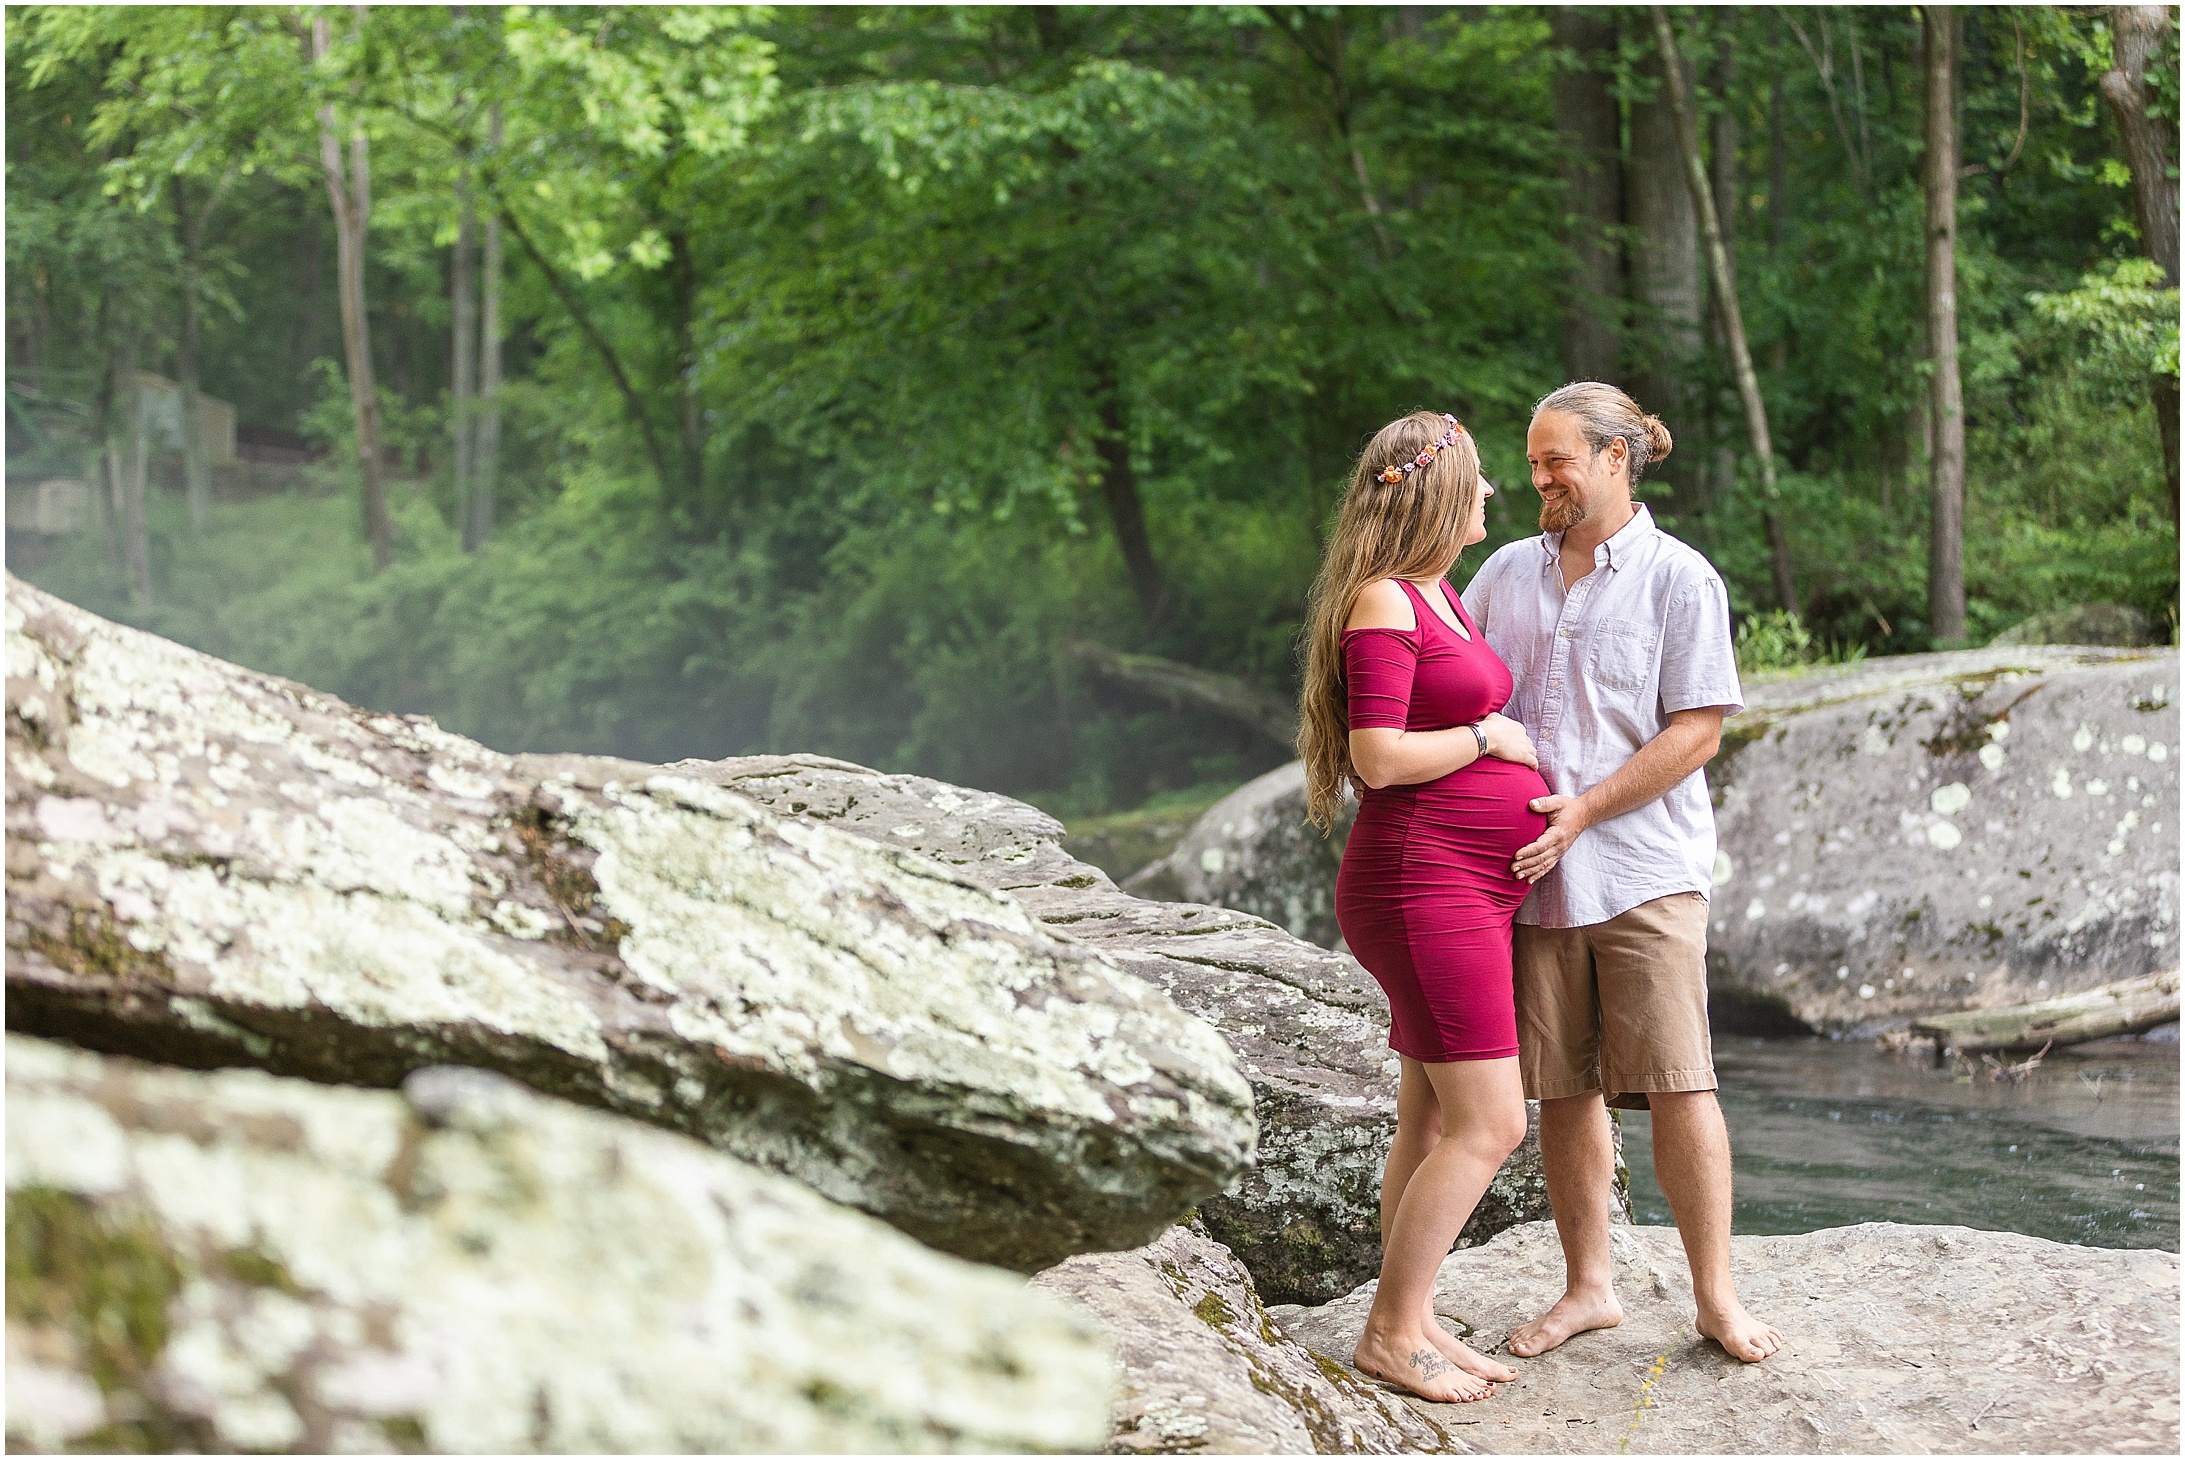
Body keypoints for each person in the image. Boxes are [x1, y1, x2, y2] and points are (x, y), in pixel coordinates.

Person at [1459, 381, 1784, 1364]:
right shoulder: (1504, 575)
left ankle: (1716, 1296)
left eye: (1556, 458)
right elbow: (1452, 677)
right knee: (1561, 1090)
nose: (1539, 478)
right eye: (1530, 461)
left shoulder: (1680, 578)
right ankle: (1588, 1289)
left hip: (1643, 869)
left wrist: (1587, 809)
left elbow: (1697, 729)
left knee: (1680, 1081)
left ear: (1614, 457)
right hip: (1531, 874)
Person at [1297, 410, 1550, 1403]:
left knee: (1430, 1112)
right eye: (1482, 481)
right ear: (1443, 492)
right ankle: (1390, 1334)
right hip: (1420, 884)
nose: (1492, 494)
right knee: (1491, 1124)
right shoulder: (1381, 606)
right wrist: (1491, 741)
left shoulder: (1432, 593)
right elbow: (1379, 757)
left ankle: (1409, 1310)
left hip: (1459, 883)